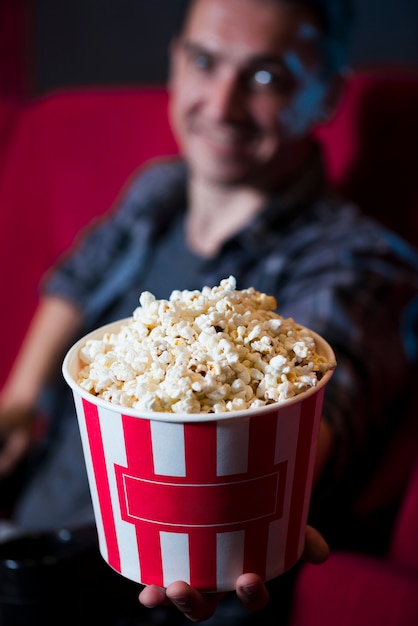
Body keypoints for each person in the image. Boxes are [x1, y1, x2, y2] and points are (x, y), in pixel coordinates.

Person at [1, 0, 418, 623]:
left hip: (133, 584)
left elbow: (325, 393)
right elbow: (78, 280)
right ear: (175, 64)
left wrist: (259, 508)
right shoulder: (158, 189)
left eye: (267, 76)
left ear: (327, 94)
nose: (221, 106)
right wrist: (19, 398)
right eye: (204, 61)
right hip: (26, 515)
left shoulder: (357, 261)